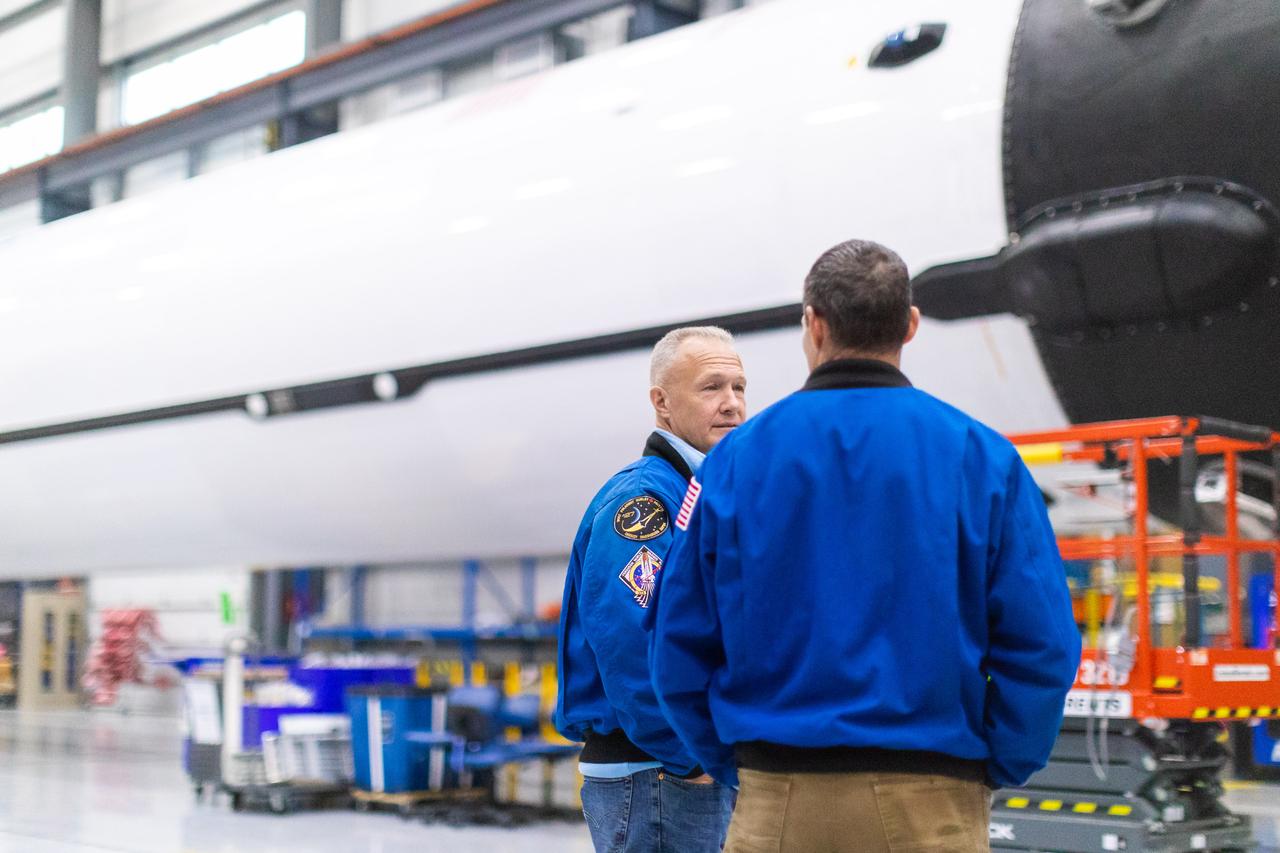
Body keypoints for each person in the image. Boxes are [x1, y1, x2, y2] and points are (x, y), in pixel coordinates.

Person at [650, 240, 1081, 853]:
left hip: (777, 799)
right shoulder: (983, 458)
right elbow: (1043, 645)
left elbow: (677, 642)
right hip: (934, 802)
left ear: (814, 323)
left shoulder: (733, 465)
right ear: (910, 324)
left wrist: (733, 760)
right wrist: (999, 761)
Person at [556, 326, 746, 852]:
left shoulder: (702, 495)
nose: (731, 404)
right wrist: (688, 755)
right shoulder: (642, 504)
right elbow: (629, 640)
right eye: (712, 388)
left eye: (738, 387)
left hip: (685, 766)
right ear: (662, 403)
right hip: (658, 773)